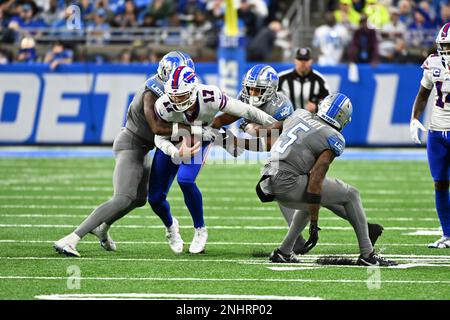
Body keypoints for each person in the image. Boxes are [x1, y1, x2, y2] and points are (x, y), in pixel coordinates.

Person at [53, 51, 213, 257]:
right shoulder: (152, 91)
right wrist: (194, 130)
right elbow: (156, 127)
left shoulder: (174, 92)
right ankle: (71, 238)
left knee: (139, 199)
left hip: (144, 148)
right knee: (122, 197)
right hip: (131, 144)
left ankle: (102, 227)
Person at [254, 93, 397, 266]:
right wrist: (314, 223)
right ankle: (368, 255)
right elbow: (316, 180)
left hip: (266, 180)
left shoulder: (299, 114)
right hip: (287, 181)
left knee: (310, 201)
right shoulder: (332, 137)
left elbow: (274, 128)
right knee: (351, 194)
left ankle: (284, 251)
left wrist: (250, 130)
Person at [150, 65, 277, 254]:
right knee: (155, 198)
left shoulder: (211, 95)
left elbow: (246, 110)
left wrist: (277, 124)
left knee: (185, 180)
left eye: (181, 95)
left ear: (193, 91)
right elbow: (158, 136)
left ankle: (200, 229)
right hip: (173, 140)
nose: (176, 100)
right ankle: (171, 227)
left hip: (201, 136)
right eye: (173, 95)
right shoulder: (163, 106)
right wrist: (175, 153)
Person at [410, 23, 450, 249]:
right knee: (440, 183)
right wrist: (415, 118)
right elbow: (423, 94)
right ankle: (447, 234)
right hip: (436, 133)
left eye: (449, 46)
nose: (446, 51)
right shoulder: (434, 64)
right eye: (443, 46)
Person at [278, 47, 330, 113]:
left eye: (306, 59)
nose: (303, 62)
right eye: (300, 59)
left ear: (311, 61)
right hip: (287, 119)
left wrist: (316, 107)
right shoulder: (282, 78)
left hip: (311, 121)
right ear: (295, 60)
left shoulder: (319, 80)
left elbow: (328, 103)